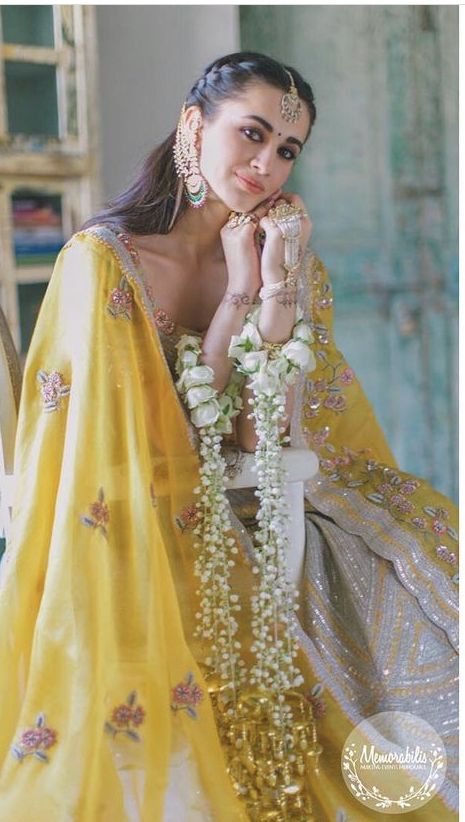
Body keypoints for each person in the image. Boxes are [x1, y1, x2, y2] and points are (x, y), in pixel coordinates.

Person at [0, 52, 458, 822]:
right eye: (250, 134)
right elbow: (162, 442)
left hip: (261, 493)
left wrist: (271, 277)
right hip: (137, 506)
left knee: (421, 565)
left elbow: (262, 433)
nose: (265, 164)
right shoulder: (104, 262)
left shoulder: (285, 261)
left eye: (286, 150)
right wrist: (235, 299)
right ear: (192, 125)